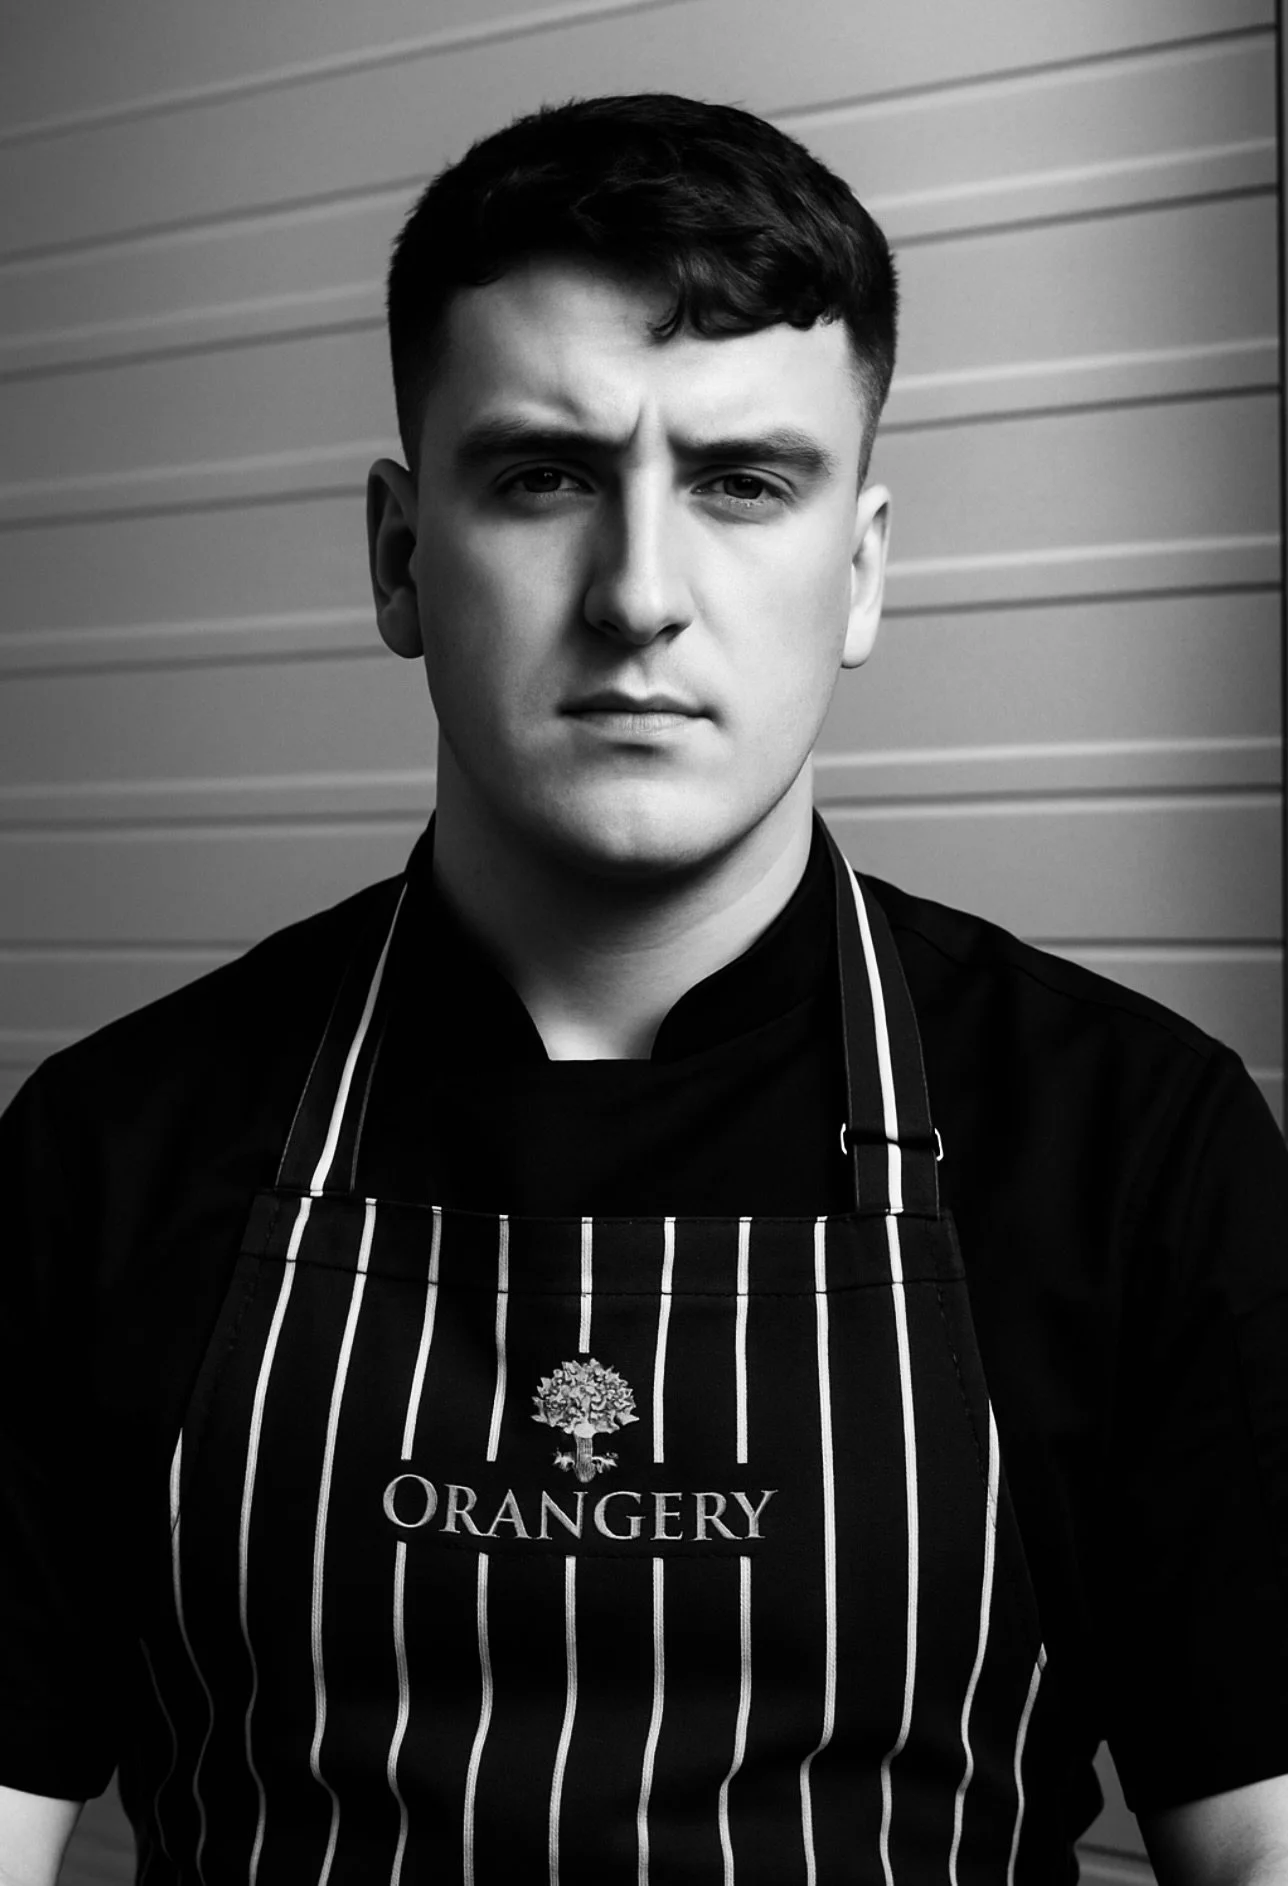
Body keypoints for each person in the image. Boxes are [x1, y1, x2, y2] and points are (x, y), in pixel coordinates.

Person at [2, 91, 1287, 1886]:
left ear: (861, 569)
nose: (639, 595)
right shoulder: (103, 1155)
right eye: (543, 475)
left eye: (744, 483)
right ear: (398, 556)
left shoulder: (1140, 1149)